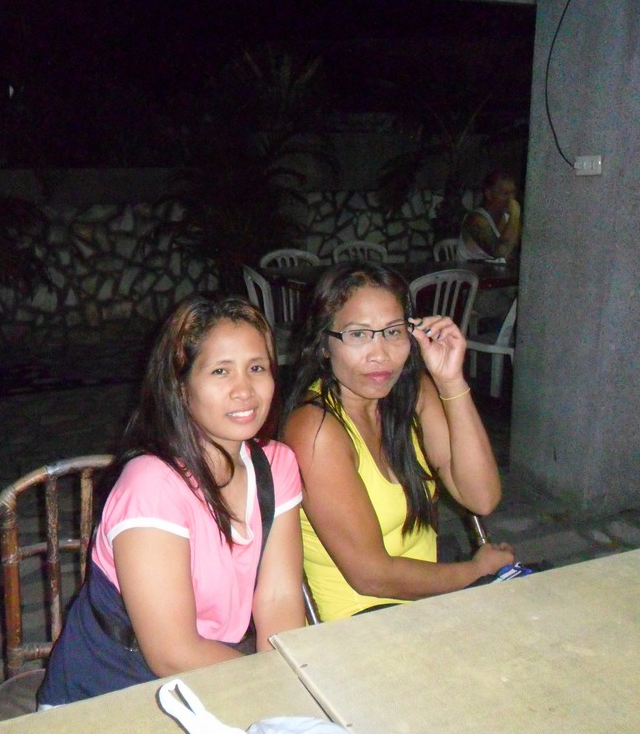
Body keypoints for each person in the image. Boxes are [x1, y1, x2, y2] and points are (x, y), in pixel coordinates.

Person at [38, 295, 304, 705]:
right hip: (111, 696)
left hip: (214, 680)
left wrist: (286, 688)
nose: (244, 390)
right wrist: (266, 686)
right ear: (181, 387)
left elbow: (278, 599)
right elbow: (172, 653)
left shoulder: (276, 465)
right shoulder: (152, 486)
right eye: (220, 371)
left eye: (257, 368)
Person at [281, 262, 514, 622]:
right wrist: (475, 571)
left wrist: (451, 381)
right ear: (324, 344)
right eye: (358, 335)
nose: (380, 354)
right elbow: (371, 576)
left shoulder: (412, 393)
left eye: (392, 332)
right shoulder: (316, 430)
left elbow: (481, 497)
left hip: (429, 605)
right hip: (365, 621)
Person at [457, 170, 522, 263]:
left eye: (513, 193)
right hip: (470, 271)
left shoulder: (507, 218)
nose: (511, 199)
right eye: (505, 193)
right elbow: (501, 253)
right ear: (489, 194)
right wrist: (515, 215)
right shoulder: (475, 219)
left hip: (495, 271)